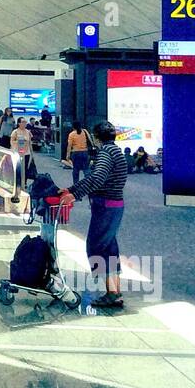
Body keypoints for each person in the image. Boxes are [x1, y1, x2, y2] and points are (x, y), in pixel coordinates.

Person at [58, 120, 127, 308]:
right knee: (109, 248)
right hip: (115, 205)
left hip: (105, 206)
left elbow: (96, 178)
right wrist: (72, 188)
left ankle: (111, 293)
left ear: (96, 138)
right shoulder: (116, 151)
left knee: (97, 247)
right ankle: (116, 292)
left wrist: (74, 195)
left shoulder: (105, 153)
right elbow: (93, 178)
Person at [9, 117, 34, 193]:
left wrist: (32, 153)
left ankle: (24, 182)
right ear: (19, 123)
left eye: (25, 122)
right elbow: (12, 142)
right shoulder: (15, 132)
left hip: (26, 153)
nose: (24, 123)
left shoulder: (28, 132)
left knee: (25, 168)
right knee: (17, 168)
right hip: (17, 153)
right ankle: (17, 182)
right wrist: (19, 141)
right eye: (23, 122)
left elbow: (30, 143)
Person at [64, 121, 91, 185]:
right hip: (85, 152)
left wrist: (67, 155)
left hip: (76, 153)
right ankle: (89, 185)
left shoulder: (71, 134)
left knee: (76, 170)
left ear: (73, 127)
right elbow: (90, 140)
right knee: (86, 170)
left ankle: (76, 186)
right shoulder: (85, 131)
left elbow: (69, 146)